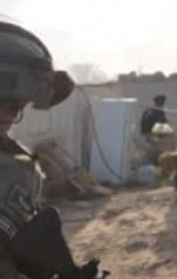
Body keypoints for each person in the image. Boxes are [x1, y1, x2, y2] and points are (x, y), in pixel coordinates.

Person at [0, 21, 104, 279]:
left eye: (18, 108)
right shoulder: (11, 167)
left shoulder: (14, 157)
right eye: (10, 106)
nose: (13, 118)